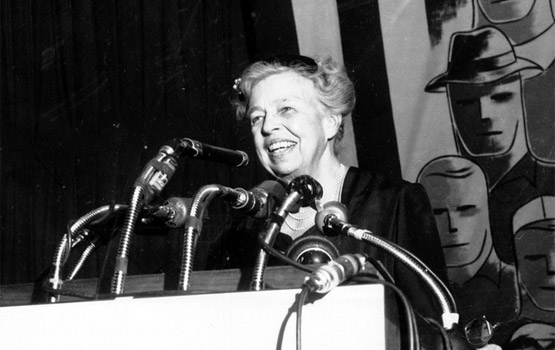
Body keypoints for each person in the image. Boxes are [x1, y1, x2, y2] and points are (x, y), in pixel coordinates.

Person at [208, 54, 455, 348]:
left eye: (286, 109)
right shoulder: (242, 229)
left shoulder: (393, 202)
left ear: (330, 122)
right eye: (257, 117)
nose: (267, 127)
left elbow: (432, 332)